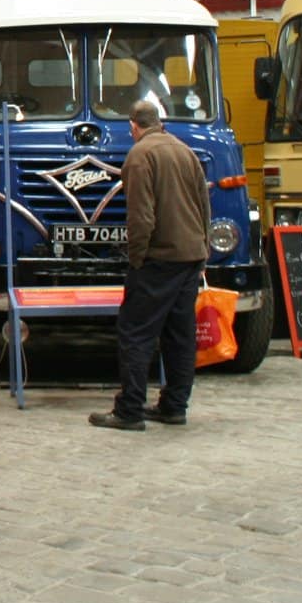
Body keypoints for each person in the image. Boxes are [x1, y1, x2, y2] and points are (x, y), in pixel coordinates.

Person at [90, 99, 210, 431]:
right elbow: (204, 204)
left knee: (136, 332)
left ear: (133, 125)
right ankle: (174, 406)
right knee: (180, 335)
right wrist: (203, 252)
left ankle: (130, 409)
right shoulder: (185, 151)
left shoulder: (140, 156)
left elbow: (141, 217)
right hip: (190, 256)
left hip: (160, 258)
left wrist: (137, 257)